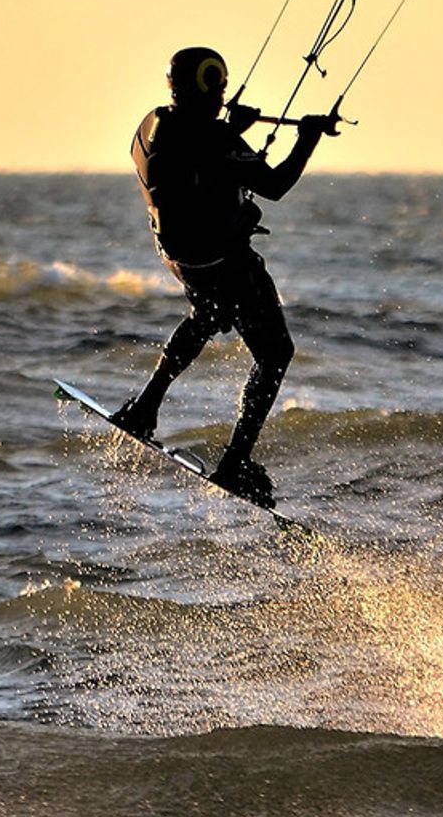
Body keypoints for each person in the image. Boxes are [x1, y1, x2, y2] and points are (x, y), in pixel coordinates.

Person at [114, 46, 338, 504]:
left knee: (205, 316)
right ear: (206, 88)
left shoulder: (154, 124)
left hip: (180, 258)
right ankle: (236, 461)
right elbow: (274, 185)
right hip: (224, 262)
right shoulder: (214, 141)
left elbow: (182, 168)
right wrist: (308, 137)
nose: (223, 94)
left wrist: (227, 131)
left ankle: (144, 409)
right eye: (217, 87)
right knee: (276, 353)